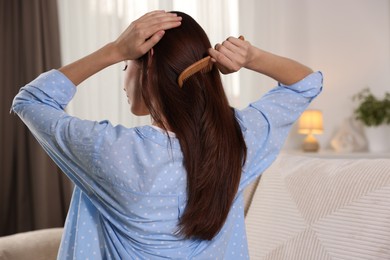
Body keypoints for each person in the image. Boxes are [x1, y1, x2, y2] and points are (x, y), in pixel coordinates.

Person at [11, 10, 322, 259]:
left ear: (150, 70)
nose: (123, 81)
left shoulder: (108, 150)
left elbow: (31, 100)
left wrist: (114, 50)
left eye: (125, 66)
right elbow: (307, 83)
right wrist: (251, 57)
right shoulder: (240, 139)